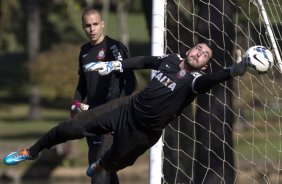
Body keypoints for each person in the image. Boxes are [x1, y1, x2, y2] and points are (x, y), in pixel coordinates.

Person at [3, 43, 247, 179]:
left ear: (205, 65)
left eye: (205, 55)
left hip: (143, 133)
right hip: (126, 108)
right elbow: (143, 62)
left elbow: (210, 82)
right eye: (198, 49)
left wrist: (233, 71)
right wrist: (112, 65)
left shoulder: (195, 80)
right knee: (71, 127)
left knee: (114, 163)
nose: (199, 54)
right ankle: (32, 151)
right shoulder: (170, 60)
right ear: (188, 50)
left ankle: (102, 164)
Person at [70, 8, 136, 184]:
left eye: (95, 24)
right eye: (87, 26)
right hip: (91, 115)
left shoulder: (115, 48)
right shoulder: (84, 51)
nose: (92, 29)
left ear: (102, 24)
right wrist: (75, 103)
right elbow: (82, 83)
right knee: (106, 168)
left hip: (110, 117)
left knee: (97, 166)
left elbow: (130, 82)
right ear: (83, 28)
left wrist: (118, 111)